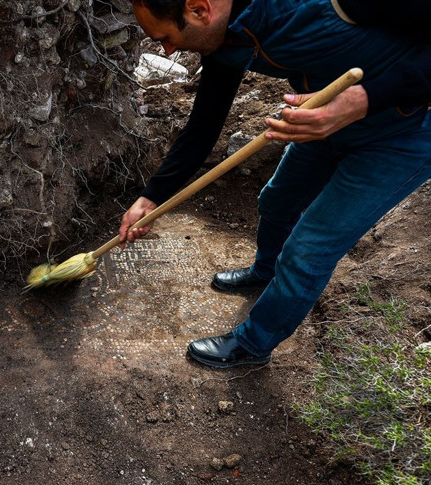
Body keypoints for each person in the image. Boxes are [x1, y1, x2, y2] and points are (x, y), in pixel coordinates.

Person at [118, 0, 431, 368]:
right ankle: (265, 272)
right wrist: (151, 197)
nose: (167, 51)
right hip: (323, 123)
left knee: (309, 248)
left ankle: (254, 344)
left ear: (199, 10)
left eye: (166, 38)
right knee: (277, 201)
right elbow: (203, 126)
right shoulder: (224, 39)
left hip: (401, 136)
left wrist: (364, 99)